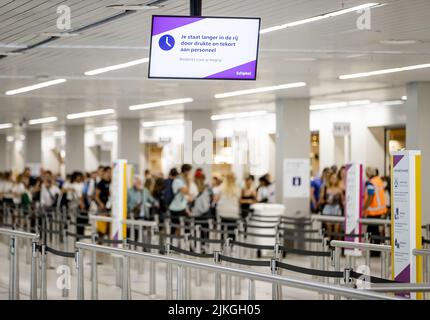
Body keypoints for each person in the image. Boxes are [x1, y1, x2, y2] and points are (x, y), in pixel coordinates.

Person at [363, 166, 387, 246]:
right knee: (376, 231)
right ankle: (376, 250)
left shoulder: (371, 182)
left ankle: (374, 251)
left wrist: (364, 208)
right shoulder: (379, 180)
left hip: (373, 211)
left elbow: (370, 196)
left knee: (371, 232)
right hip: (380, 210)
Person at [215, 173, 240, 239]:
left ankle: (223, 242)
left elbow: (215, 200)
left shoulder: (221, 187)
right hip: (233, 213)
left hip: (222, 212)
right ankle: (231, 243)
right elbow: (238, 201)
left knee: (222, 228)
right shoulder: (237, 188)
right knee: (232, 229)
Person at [168, 164, 193, 234]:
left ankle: (185, 243)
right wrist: (189, 181)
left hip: (180, 207)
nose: (191, 173)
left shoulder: (180, 180)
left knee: (184, 227)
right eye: (190, 172)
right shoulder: (178, 181)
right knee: (176, 228)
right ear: (186, 171)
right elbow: (186, 191)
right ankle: (170, 242)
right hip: (176, 208)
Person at [319, 171, 344, 237]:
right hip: (327, 209)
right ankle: (329, 246)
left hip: (337, 209)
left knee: (336, 231)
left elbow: (343, 201)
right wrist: (326, 201)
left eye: (335, 178)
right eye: (332, 178)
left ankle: (335, 246)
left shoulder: (339, 189)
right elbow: (320, 200)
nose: (334, 179)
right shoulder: (325, 188)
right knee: (329, 231)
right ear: (329, 178)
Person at [95, 166, 111, 237]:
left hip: (110, 207)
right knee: (101, 227)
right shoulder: (101, 183)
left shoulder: (112, 182)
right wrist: (100, 204)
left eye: (110, 172)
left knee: (109, 226)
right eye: (108, 172)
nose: (109, 174)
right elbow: (96, 196)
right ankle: (99, 242)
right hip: (102, 208)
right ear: (104, 172)